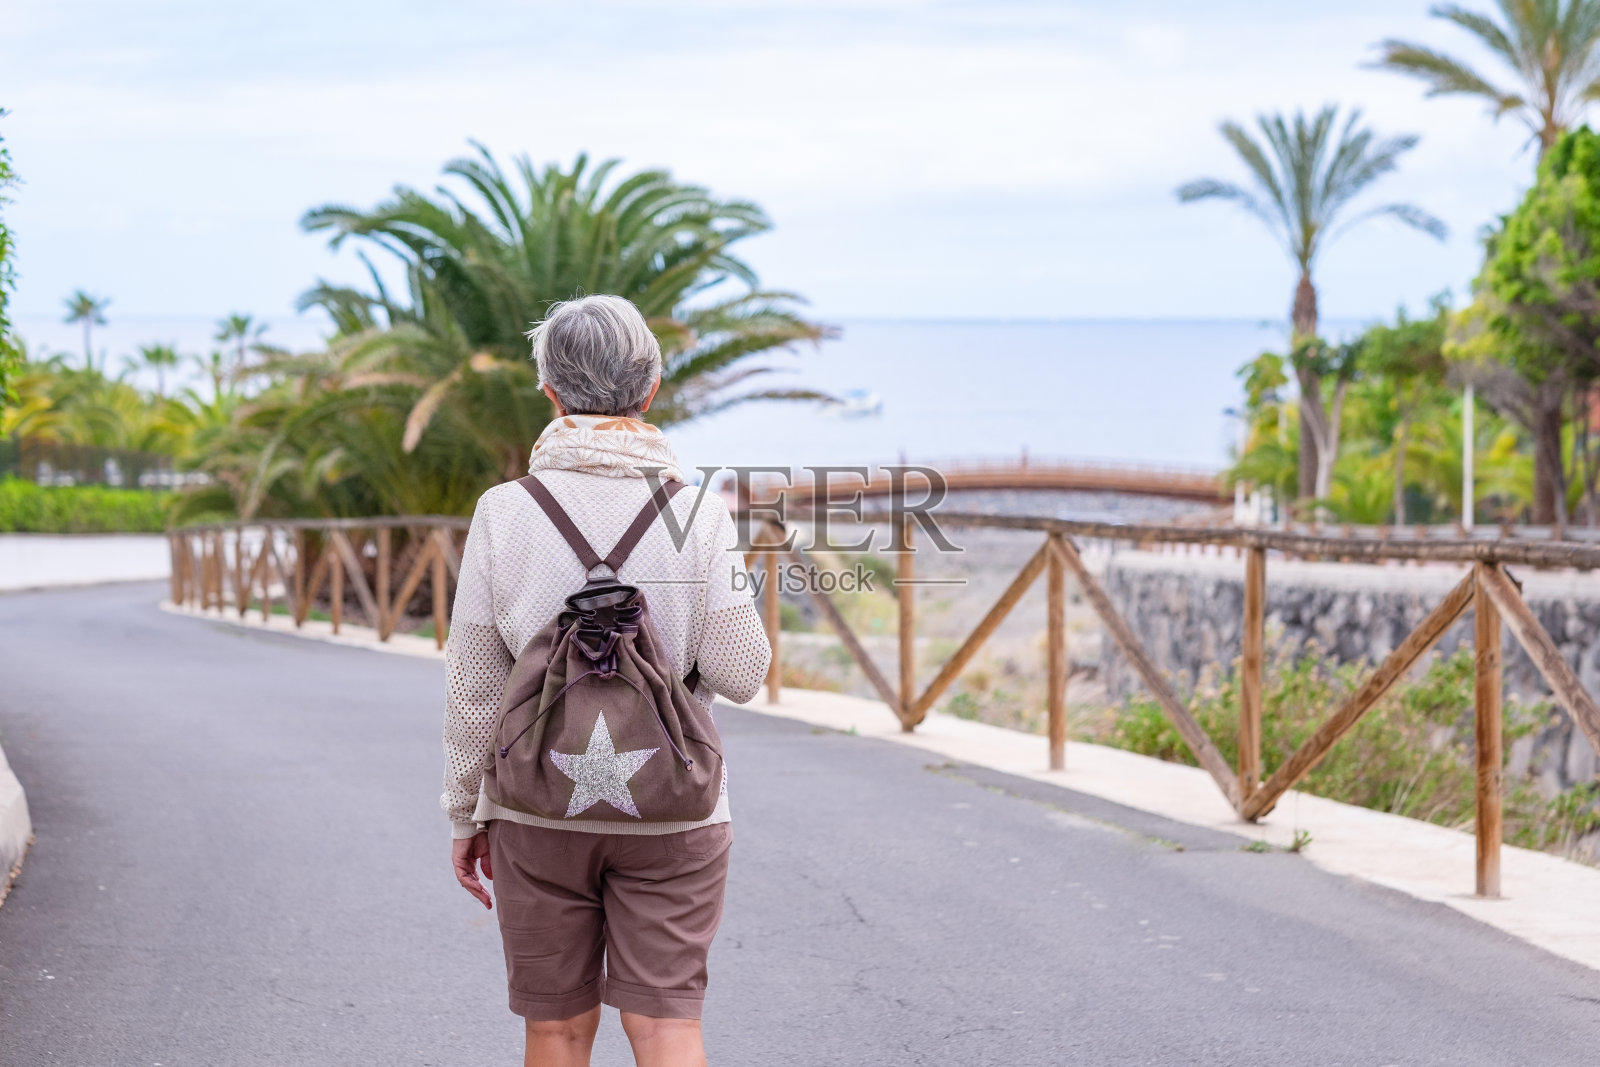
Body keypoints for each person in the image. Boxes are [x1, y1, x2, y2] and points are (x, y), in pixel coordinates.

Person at [441, 294, 771, 1067]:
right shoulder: (699, 513)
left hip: (536, 810)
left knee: (555, 1028)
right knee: (665, 1025)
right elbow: (742, 671)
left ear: (550, 392)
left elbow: (474, 685)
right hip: (674, 812)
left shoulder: (503, 512)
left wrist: (466, 813)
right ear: (649, 390)